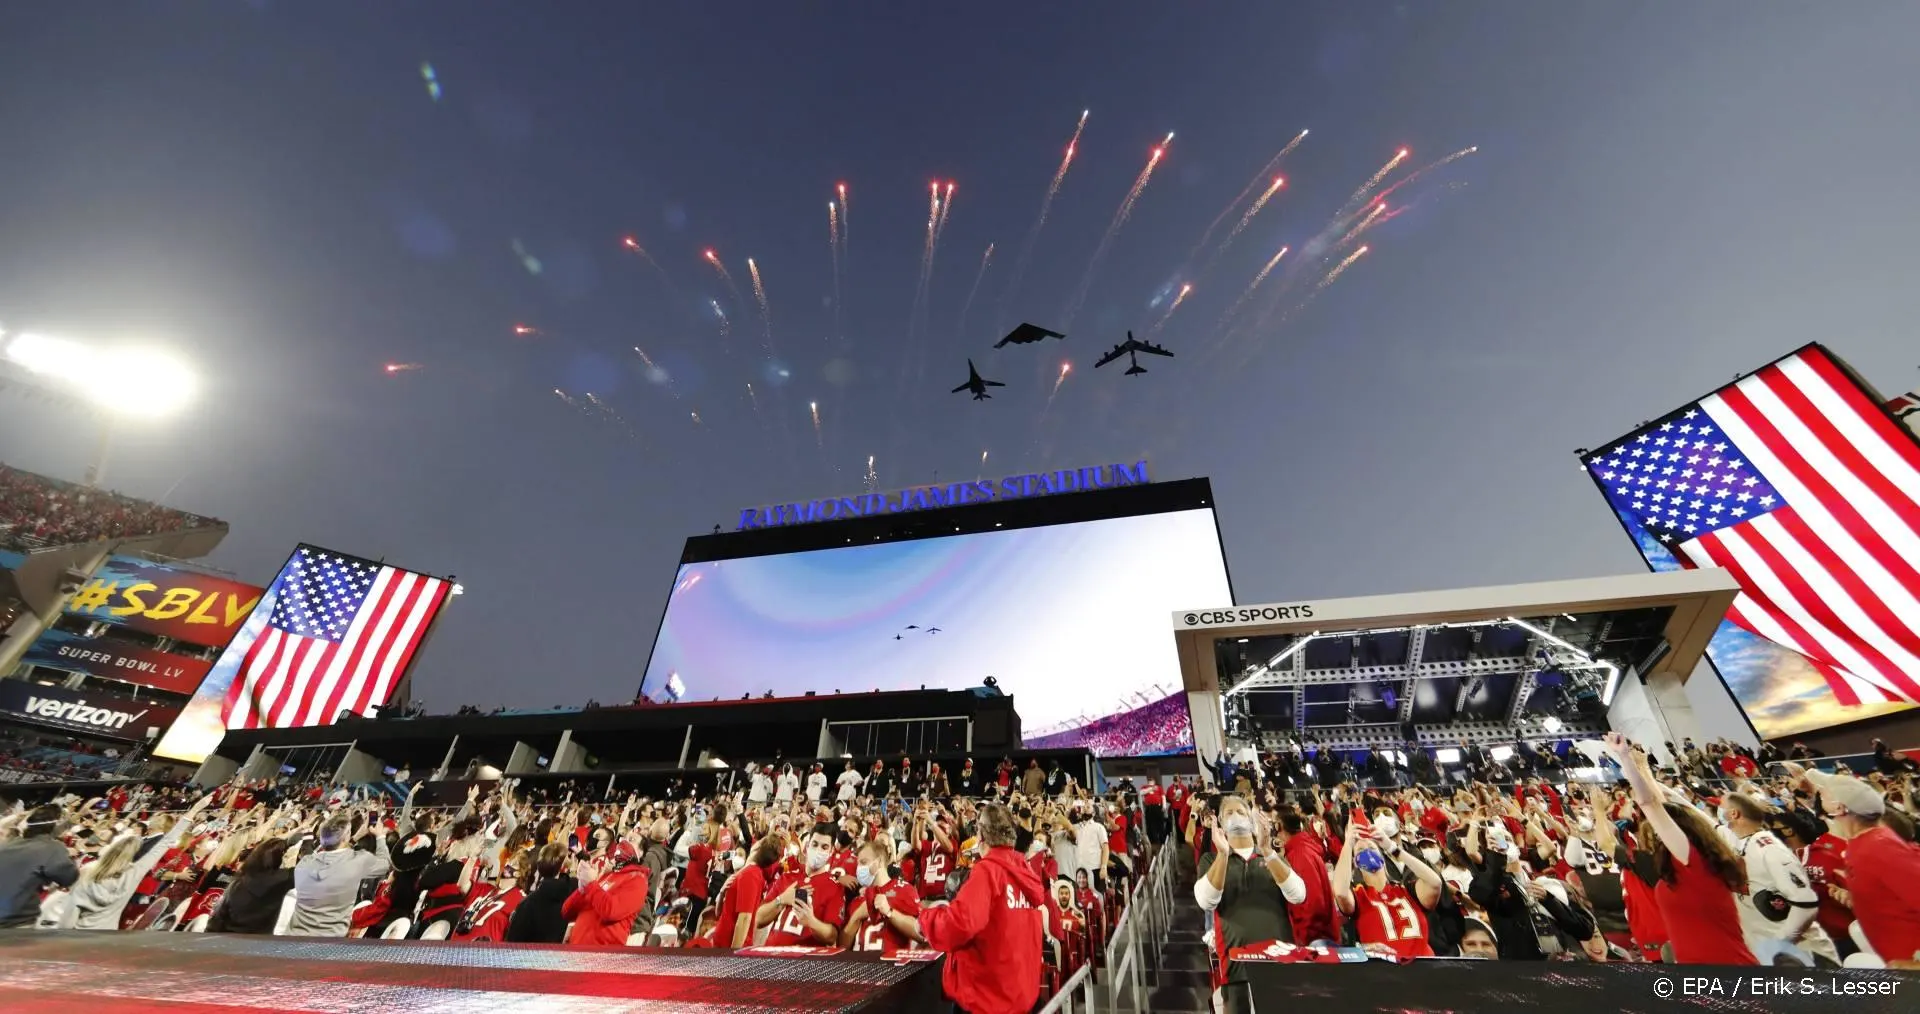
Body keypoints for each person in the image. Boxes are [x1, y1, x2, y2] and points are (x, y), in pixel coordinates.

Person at [1603, 732, 1755, 964]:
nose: (1653, 833)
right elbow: (1661, 806)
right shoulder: (1688, 862)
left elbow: (1651, 804)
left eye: (1657, 829)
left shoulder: (1693, 862)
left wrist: (1625, 758)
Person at [906, 802, 1046, 1014]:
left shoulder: (988, 871)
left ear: (981, 835)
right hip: (1019, 996)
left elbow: (959, 924)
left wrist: (925, 921)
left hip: (987, 999)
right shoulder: (1024, 871)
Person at [1789, 763, 1920, 967]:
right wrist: (1860, 899)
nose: (1819, 794)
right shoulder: (1863, 844)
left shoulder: (1878, 848)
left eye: (1824, 792)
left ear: (1839, 807)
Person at [1195, 796, 1307, 1014]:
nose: (1235, 816)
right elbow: (1206, 900)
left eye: (1241, 812)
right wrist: (1223, 854)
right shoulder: (1210, 860)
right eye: (1229, 813)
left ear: (1251, 819)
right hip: (1236, 969)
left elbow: (1298, 895)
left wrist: (1267, 851)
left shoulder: (1272, 857)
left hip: (1280, 964)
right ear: (1220, 822)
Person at [66, 793, 212, 929]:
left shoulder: (87, 870)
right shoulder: (132, 873)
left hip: (73, 930)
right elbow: (167, 841)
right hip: (104, 932)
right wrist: (195, 809)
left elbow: (69, 908)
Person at [286, 812, 393, 936]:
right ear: (345, 837)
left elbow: (331, 854)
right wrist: (380, 836)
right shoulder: (357, 861)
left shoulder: (304, 863)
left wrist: (352, 838)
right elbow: (385, 863)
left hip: (293, 938)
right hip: (327, 941)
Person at [0, 804, 79, 928]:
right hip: (14, 921)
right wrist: (70, 857)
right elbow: (69, 878)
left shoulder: (9, 844)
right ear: (55, 826)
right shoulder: (52, 848)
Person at [842, 836, 923, 956]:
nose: (859, 868)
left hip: (891, 965)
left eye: (863, 862)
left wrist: (890, 912)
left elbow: (921, 935)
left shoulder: (904, 890)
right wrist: (856, 917)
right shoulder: (857, 899)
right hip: (859, 965)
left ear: (879, 862)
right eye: (858, 864)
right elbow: (842, 947)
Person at [564, 840, 652, 945]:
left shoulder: (638, 880)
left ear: (641, 853)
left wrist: (590, 884)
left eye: (632, 839)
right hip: (576, 947)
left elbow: (611, 911)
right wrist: (582, 889)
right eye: (622, 838)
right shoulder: (606, 875)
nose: (623, 841)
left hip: (601, 951)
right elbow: (566, 912)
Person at [208, 838, 296, 934]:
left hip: (227, 936)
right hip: (255, 940)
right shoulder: (281, 879)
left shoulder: (240, 880)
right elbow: (305, 871)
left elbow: (218, 918)